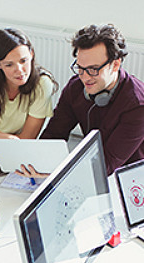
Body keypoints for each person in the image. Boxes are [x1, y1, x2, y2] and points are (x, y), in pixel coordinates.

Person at [22, 24, 144, 177]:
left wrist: (55, 176)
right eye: (80, 68)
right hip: (93, 169)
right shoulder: (75, 88)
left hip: (128, 179)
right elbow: (53, 134)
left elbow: (106, 164)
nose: (85, 77)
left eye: (93, 69)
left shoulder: (138, 105)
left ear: (115, 64)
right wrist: (38, 163)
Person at [0, 28, 58, 144]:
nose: (19, 71)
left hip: (6, 146)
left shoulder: (42, 84)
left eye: (23, 61)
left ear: (31, 54)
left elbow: (26, 140)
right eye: (9, 65)